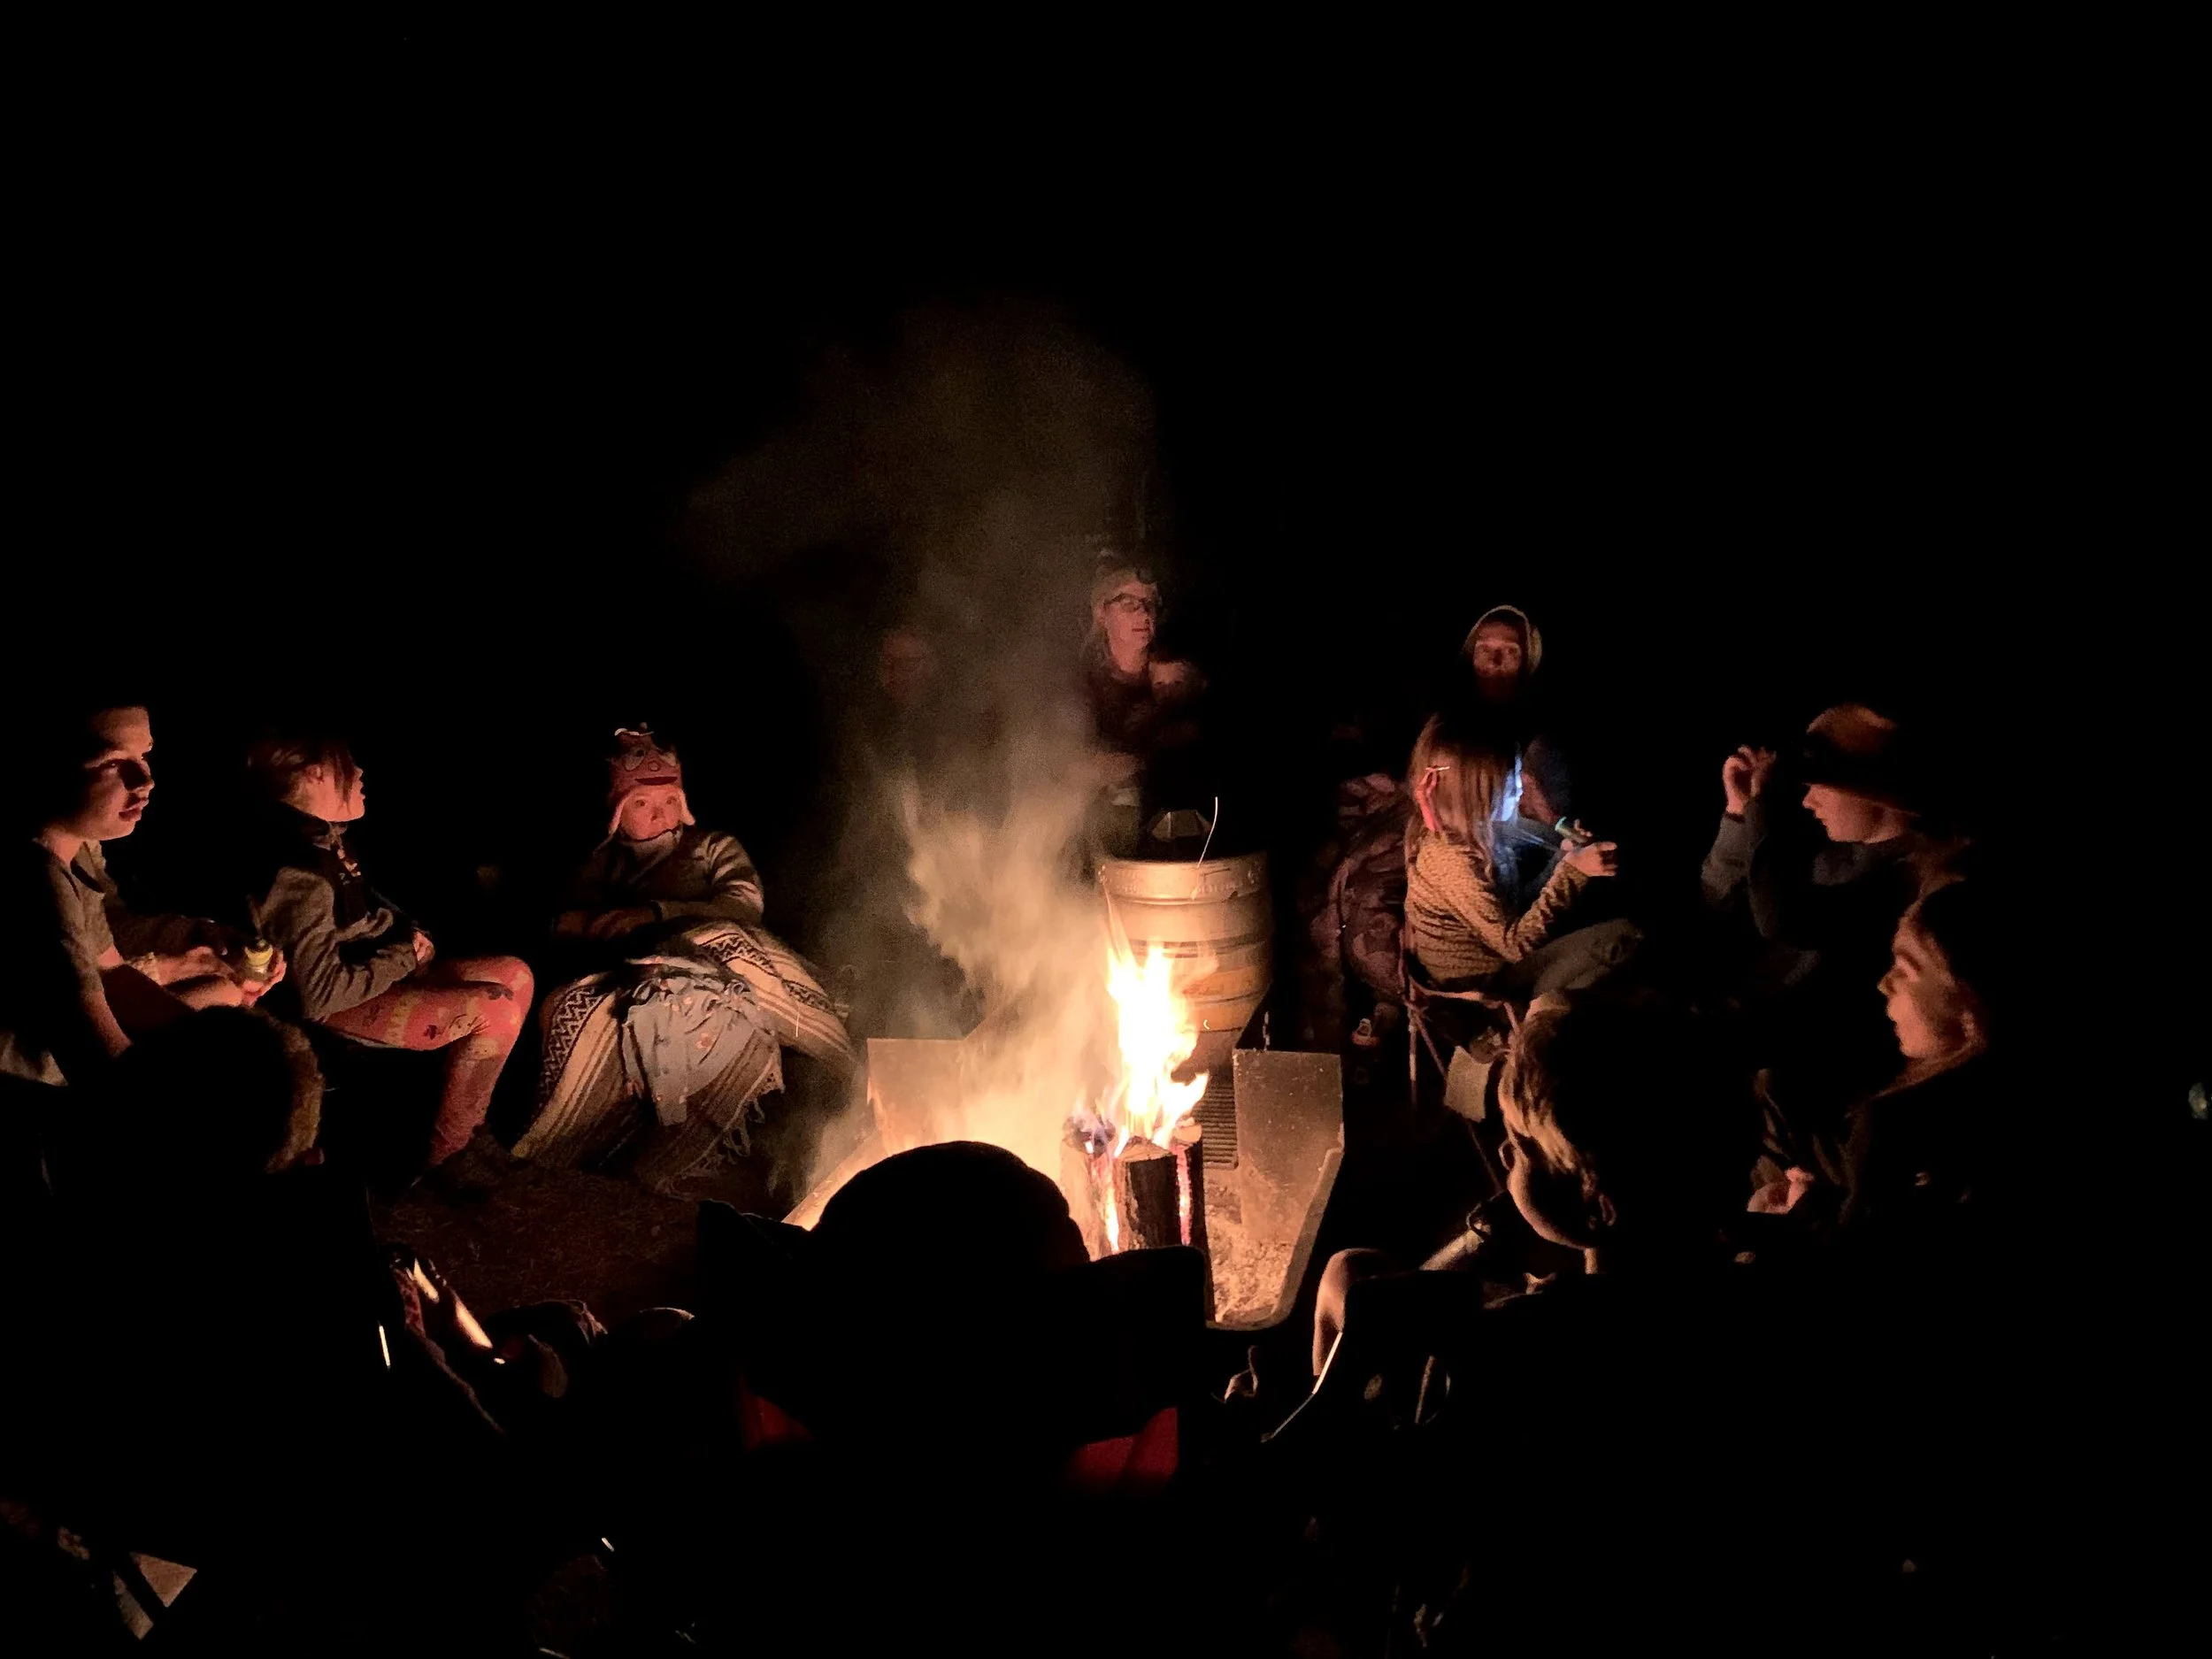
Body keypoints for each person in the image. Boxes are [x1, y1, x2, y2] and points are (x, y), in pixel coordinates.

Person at [517, 727, 854, 1194]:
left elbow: (743, 906)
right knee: (574, 1008)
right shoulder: (603, 865)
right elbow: (563, 924)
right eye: (641, 804)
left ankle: (833, 1064)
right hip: (643, 978)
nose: (659, 813)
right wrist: (609, 925)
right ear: (616, 812)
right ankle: (599, 1146)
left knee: (723, 948)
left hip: (722, 968)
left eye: (669, 801)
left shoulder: (712, 847)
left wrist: (660, 915)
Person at [243, 730, 532, 1171]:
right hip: (332, 1007)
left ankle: (469, 1128)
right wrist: (404, 956)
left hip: (374, 975)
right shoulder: (297, 875)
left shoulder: (325, 840)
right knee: (495, 1009)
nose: (359, 773)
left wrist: (405, 936)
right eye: (347, 762)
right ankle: (448, 1157)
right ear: (314, 774)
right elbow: (318, 993)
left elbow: (360, 917)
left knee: (515, 974)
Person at [2, 702, 278, 1088]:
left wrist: (214, 1010)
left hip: (81, 1054)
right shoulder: (37, 882)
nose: (144, 780)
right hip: (36, 1078)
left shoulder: (77, 848)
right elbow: (103, 1069)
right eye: (112, 762)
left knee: (229, 1004)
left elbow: (112, 973)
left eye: (144, 755)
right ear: (47, 768)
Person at [1703, 702, 1947, 1097]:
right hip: (1738, 1031)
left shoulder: (1914, 877)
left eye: (1819, 784)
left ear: (1863, 785)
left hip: (1793, 1076)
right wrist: (1740, 813)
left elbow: (1786, 920)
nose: (1808, 801)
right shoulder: (1829, 849)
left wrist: (1763, 808)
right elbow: (1717, 907)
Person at [1402, 710, 1640, 1002]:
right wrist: (1573, 873)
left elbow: (1513, 905)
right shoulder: (1453, 861)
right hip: (1486, 987)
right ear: (1476, 793)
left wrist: (1562, 861)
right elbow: (1516, 944)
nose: (1520, 789)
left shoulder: (1478, 832)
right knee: (1622, 937)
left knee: (1601, 905)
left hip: (1500, 953)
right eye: (1510, 781)